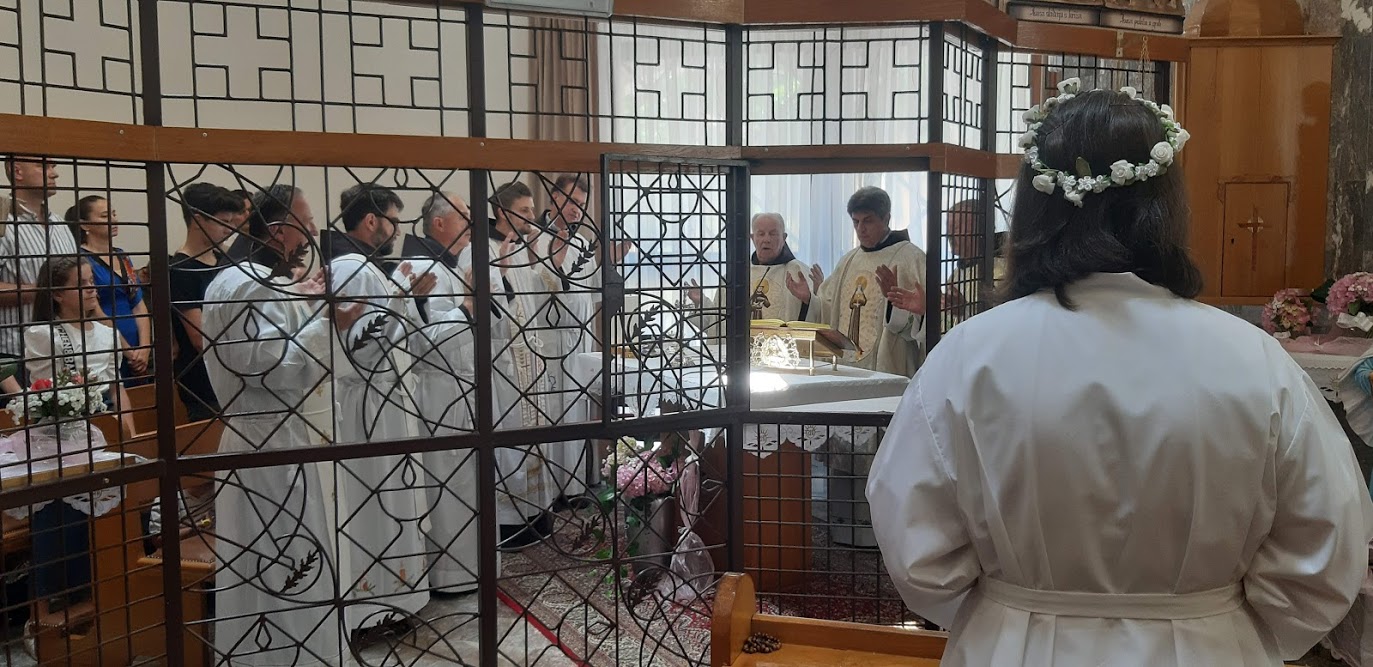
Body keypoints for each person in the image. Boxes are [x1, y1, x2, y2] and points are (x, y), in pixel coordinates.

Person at [866, 79, 1373, 666]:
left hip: (1015, 645)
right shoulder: (1252, 358)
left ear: (1033, 206)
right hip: (1206, 647)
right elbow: (1324, 543)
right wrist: (1229, 625)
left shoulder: (967, 356)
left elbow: (916, 541)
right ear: (1166, 206)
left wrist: (1006, 613)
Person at [202, 197, 355, 667]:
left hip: (258, 437)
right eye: (306, 222)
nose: (313, 231)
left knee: (264, 561)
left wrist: (300, 300)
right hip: (271, 442)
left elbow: (263, 342)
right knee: (285, 558)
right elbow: (266, 368)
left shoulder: (237, 278)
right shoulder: (253, 284)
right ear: (278, 229)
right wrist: (328, 323)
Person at [326, 183, 432, 634]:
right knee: (378, 503)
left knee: (391, 498)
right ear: (372, 220)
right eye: (393, 220)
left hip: (381, 397)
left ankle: (394, 601)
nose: (397, 230)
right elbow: (364, 346)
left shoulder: (358, 266)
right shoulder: (353, 269)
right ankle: (376, 608)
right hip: (371, 402)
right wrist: (405, 292)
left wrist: (403, 294)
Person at [23, 256, 137, 612]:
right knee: (61, 512)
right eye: (82, 284)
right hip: (59, 439)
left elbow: (117, 389)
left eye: (92, 282)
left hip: (102, 433)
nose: (92, 290)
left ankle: (104, 595)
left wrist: (128, 432)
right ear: (58, 295)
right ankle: (54, 604)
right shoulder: (45, 335)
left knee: (112, 512)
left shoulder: (106, 333)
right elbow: (45, 393)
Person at [397, 191, 488, 592]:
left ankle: (471, 568)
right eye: (463, 216)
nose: (472, 224)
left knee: (468, 484)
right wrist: (467, 307)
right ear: (439, 223)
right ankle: (449, 576)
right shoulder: (421, 269)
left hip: (461, 388)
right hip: (439, 392)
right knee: (448, 487)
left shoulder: (448, 265)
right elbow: (424, 343)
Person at [483, 181, 558, 550]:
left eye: (531, 209)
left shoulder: (523, 246)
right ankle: (511, 522)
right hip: (505, 362)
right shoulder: (483, 250)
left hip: (530, 354)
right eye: (524, 210)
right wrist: (503, 271)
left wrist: (539, 258)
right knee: (511, 441)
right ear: (502, 212)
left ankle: (536, 513)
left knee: (535, 436)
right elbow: (492, 306)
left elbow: (543, 293)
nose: (532, 216)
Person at [794, 186, 928, 377]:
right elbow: (828, 309)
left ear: (886, 219)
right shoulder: (848, 260)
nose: (860, 229)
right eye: (855, 222)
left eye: (868, 221)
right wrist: (809, 299)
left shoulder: (911, 258)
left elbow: (925, 320)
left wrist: (894, 305)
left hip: (890, 367)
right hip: (845, 368)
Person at [169, 183, 248, 421]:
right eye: (223, 221)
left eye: (232, 221)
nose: (229, 229)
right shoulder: (181, 269)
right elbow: (201, 338)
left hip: (238, 372)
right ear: (197, 219)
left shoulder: (226, 260)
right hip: (205, 383)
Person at [0, 156, 79, 393]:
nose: (54, 173)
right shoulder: (4, 224)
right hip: (16, 355)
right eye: (43, 166)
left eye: (53, 166)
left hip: (67, 351)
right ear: (17, 171)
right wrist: (47, 291)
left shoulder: (60, 224)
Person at [65, 195, 151, 386]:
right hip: (106, 344)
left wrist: (145, 348)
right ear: (85, 225)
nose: (113, 219)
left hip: (136, 344)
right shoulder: (81, 259)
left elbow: (138, 304)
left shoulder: (122, 255)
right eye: (105, 216)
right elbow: (93, 309)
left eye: (113, 213)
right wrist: (127, 350)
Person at [688, 212, 816, 330]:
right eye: (761, 234)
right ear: (752, 238)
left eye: (773, 234)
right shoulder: (735, 276)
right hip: (741, 347)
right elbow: (716, 325)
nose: (766, 239)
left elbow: (818, 317)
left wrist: (809, 299)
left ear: (784, 237)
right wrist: (701, 303)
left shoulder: (798, 272)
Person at [940, 199, 1007, 330]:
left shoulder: (1001, 271)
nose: (949, 234)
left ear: (980, 228)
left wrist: (965, 310)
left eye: (956, 227)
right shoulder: (955, 276)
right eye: (948, 227)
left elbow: (1002, 323)